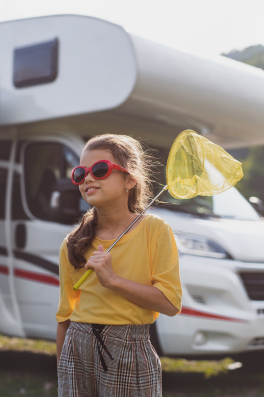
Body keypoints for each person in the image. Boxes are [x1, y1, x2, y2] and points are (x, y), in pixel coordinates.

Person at [56, 135, 182, 397]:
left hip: (130, 348)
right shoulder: (73, 242)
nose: (88, 178)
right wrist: (63, 372)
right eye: (80, 173)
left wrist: (113, 281)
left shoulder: (154, 230)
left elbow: (170, 303)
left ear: (130, 179)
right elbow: (65, 317)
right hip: (75, 347)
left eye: (100, 170)